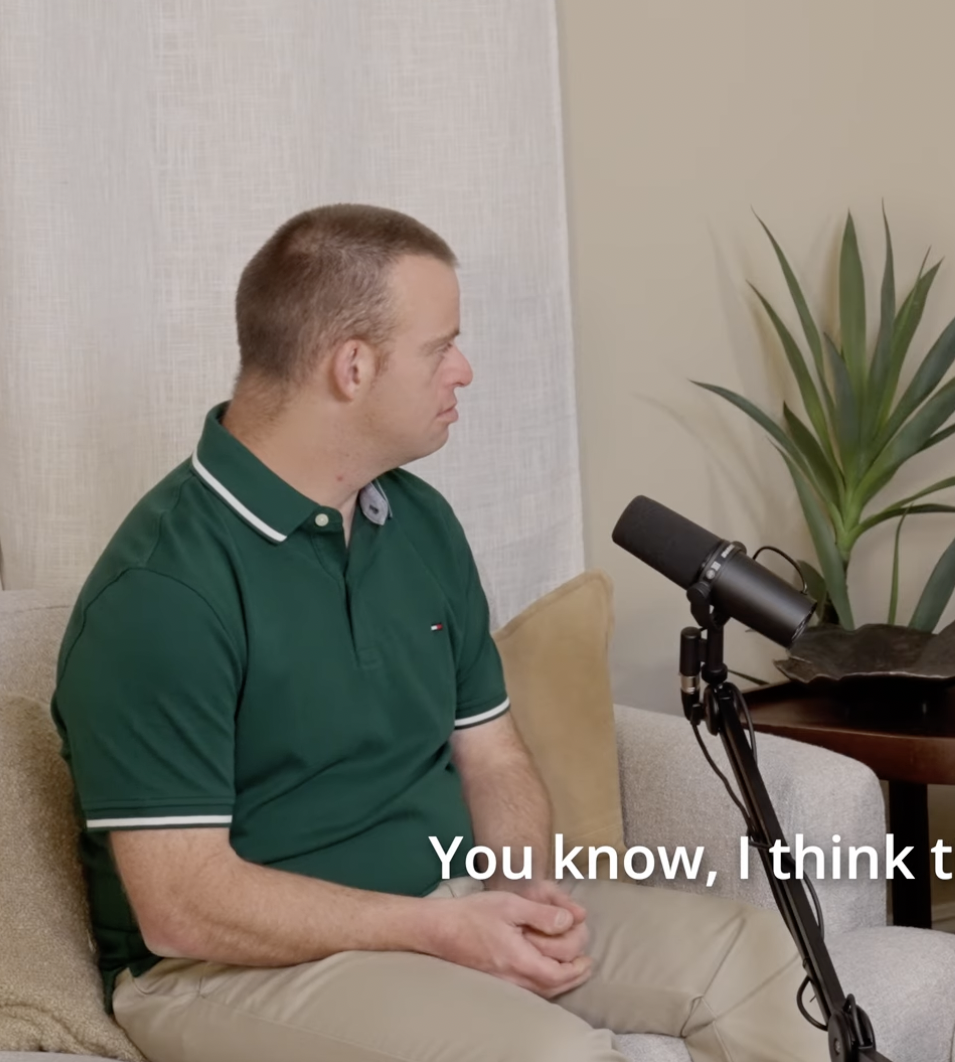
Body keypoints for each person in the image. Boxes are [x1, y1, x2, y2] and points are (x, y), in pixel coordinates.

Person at [51, 205, 828, 1062]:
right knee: (550, 1056)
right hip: (228, 969)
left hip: (448, 901)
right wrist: (435, 931)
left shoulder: (418, 522)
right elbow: (182, 906)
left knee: (761, 964)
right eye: (440, 347)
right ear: (352, 367)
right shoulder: (161, 591)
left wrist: (522, 894)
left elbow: (490, 756)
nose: (464, 370)